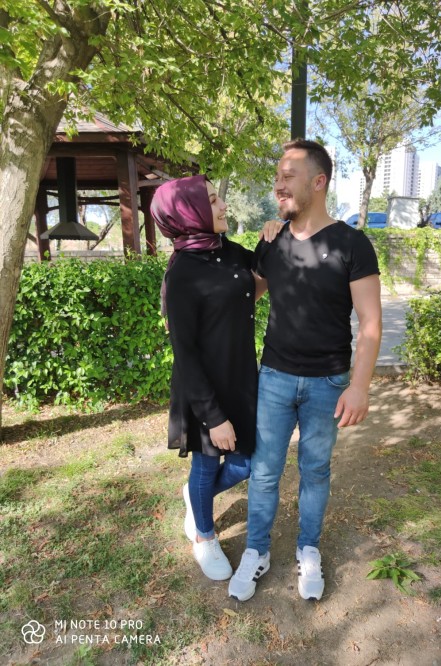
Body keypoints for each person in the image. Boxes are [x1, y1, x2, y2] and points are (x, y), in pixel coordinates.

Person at [228, 139, 382, 602]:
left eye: (289, 175)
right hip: (274, 377)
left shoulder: (352, 244)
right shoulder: (272, 241)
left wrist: (359, 387)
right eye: (277, 176)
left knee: (315, 470)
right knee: (264, 472)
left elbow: (370, 322)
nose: (279, 184)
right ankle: (256, 550)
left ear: (319, 182)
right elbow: (247, 296)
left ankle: (308, 548)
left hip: (328, 382)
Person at [151, 175, 279, 582]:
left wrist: (271, 237)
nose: (223, 205)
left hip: (240, 377)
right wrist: (213, 417)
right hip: (202, 388)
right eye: (211, 200)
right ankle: (203, 536)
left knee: (245, 463)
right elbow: (186, 355)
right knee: (207, 464)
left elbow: (257, 282)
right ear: (188, 213)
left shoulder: (228, 250)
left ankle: (195, 496)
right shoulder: (182, 274)